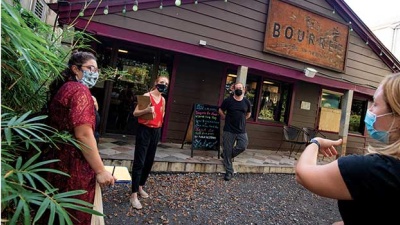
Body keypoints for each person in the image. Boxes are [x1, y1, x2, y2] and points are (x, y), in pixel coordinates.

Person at [295, 72, 400, 225]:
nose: (369, 110)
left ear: (397, 117)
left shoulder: (369, 170)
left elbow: (303, 174)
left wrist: (315, 143)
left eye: (376, 104)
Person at [46, 51, 116, 225]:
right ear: (75, 69)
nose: (94, 73)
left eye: (97, 69)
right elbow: (83, 133)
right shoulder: (80, 91)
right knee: (75, 215)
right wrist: (100, 170)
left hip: (57, 163)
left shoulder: (65, 88)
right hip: (75, 166)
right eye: (90, 68)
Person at [130, 76, 169, 209]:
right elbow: (135, 113)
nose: (163, 85)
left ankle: (140, 187)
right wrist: (146, 110)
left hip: (155, 131)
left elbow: (162, 114)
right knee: (139, 161)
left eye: (166, 83)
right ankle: (133, 195)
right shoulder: (147, 96)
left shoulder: (163, 99)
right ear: (156, 83)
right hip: (144, 130)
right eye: (161, 82)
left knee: (149, 161)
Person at [218, 82, 251, 181]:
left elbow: (248, 113)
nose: (239, 89)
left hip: (241, 130)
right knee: (227, 148)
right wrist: (224, 117)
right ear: (233, 89)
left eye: (240, 88)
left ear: (244, 89)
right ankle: (229, 171)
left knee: (243, 145)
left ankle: (227, 155)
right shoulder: (228, 101)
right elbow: (220, 110)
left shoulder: (246, 102)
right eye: (237, 88)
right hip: (229, 129)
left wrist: (243, 120)